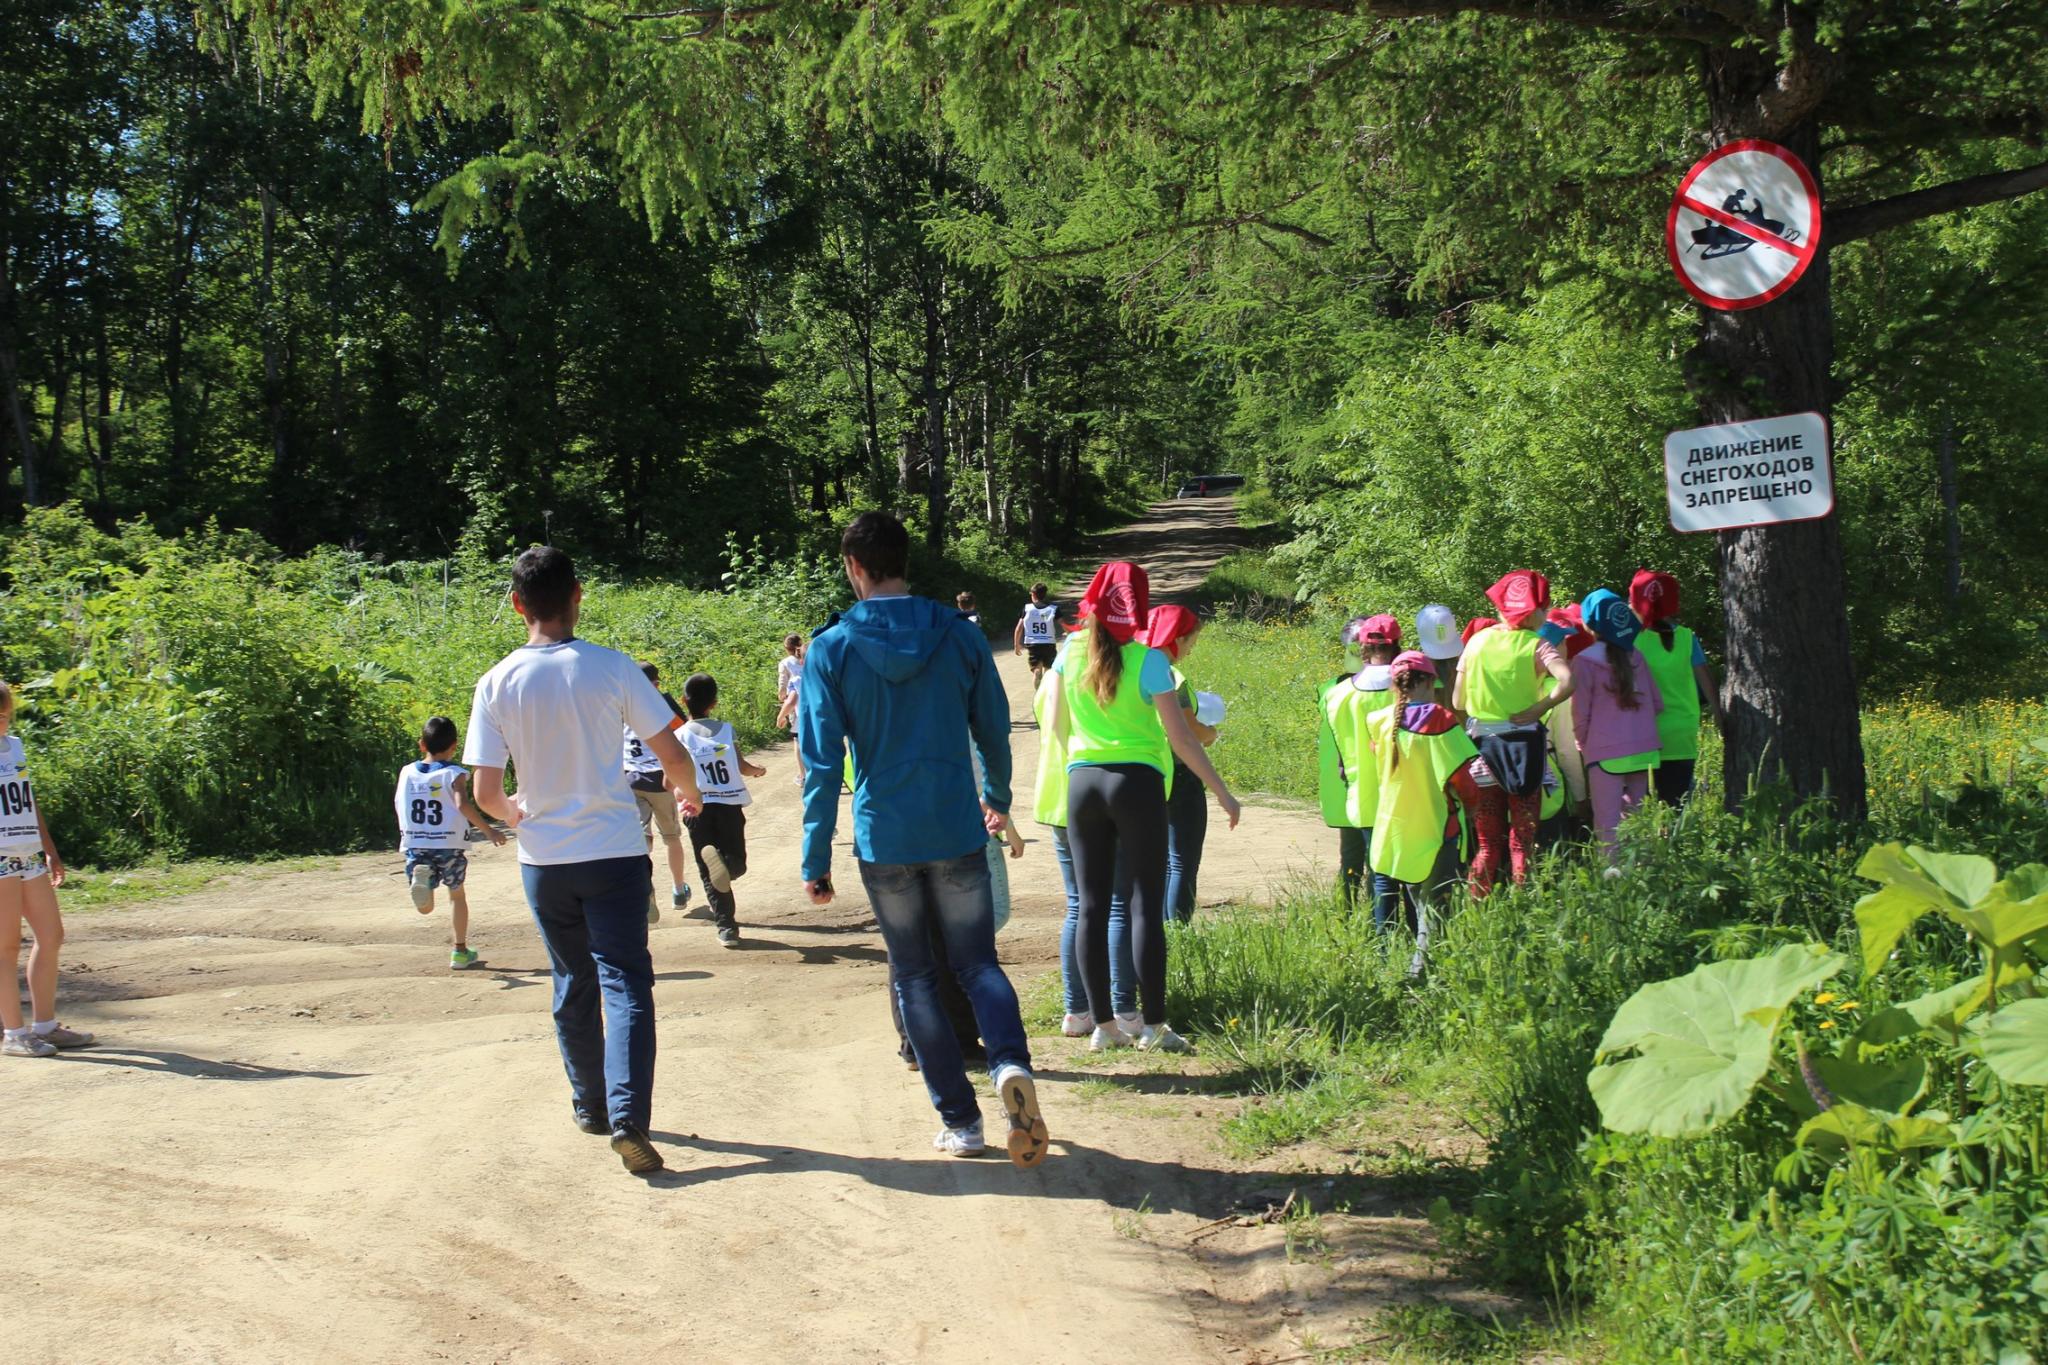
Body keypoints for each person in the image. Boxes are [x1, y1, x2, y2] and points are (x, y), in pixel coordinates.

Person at [798, 511, 1048, 1167]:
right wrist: (998, 798)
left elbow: (821, 764)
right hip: (956, 826)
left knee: (915, 975)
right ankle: (1010, 1064)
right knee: (978, 963)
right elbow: (993, 726)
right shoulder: (959, 633)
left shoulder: (830, 648)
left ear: (854, 567)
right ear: (906, 561)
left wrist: (815, 857)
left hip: (886, 838)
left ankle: (962, 1123)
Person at [465, 546, 704, 1175]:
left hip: (544, 861)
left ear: (516, 604)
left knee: (572, 979)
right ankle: (628, 1118)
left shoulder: (496, 682)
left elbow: (485, 793)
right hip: (615, 853)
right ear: (578, 595)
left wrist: (516, 813)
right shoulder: (613, 667)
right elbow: (670, 752)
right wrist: (690, 792)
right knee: (625, 982)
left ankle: (591, 1108)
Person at [1044, 560, 1241, 1055]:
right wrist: (1221, 791)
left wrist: (1084, 763)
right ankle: (1152, 1025)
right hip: (1137, 784)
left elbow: (1056, 727)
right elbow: (1183, 740)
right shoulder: (1151, 660)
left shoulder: (1069, 653)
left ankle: (1103, 1027)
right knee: (1143, 907)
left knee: (1090, 906)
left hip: (1082, 782)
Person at [1452, 572, 1575, 897]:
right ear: (1537, 610)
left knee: (1487, 844)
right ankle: (1524, 903)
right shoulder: (1537, 645)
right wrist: (1539, 707)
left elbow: (1458, 701)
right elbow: (1567, 681)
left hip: (1482, 752)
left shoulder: (1477, 642)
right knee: (1522, 841)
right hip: (1525, 753)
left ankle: (1478, 906)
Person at [1035, 667, 1138, 1039]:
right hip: (1099, 798)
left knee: (1078, 905)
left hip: (1060, 799)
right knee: (1118, 904)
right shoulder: (1104, 672)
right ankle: (1123, 1009)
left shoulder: (1052, 676)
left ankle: (1077, 1011)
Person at [1365, 653, 1481, 976]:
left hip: (1397, 831)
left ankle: (1416, 974)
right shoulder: (1439, 719)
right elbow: (1462, 778)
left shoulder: (1380, 721)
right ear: (1429, 682)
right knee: (1435, 914)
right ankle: (1421, 980)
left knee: (1421, 906)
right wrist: (1473, 806)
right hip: (1436, 827)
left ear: (1395, 685)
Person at [0, 682, 92, 1058]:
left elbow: (27, 800)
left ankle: (45, 1026)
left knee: (51, 935)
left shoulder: (14, 747)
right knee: (6, 947)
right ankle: (14, 1035)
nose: (2, 722)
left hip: (29, 855)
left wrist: (49, 849)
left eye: (5, 715)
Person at [396, 714, 507, 970]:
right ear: (454, 746)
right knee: (457, 895)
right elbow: (461, 805)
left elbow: (400, 803)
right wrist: (489, 831)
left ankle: (423, 880)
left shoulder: (407, 772)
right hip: (449, 845)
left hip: (416, 842)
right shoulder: (454, 774)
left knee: (425, 909)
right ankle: (459, 951)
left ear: (421, 744)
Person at [1571, 589, 1665, 861]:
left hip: (1604, 753)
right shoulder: (1637, 656)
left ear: (1588, 624)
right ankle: (1643, 870)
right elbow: (1657, 704)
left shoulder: (1583, 661)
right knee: (1638, 820)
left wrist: (1583, 744)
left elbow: (1580, 713)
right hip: (1645, 750)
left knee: (1607, 824)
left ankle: (1613, 877)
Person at [1141, 604, 1221, 923]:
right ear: (1176, 639)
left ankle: (1156, 928)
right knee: (1182, 862)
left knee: (1157, 861)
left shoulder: (1129, 668)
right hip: (1180, 773)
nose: (1190, 651)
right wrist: (1211, 733)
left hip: (1145, 773)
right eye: (1191, 643)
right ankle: (1178, 932)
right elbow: (1189, 731)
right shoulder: (1172, 676)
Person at [1318, 615, 1401, 908]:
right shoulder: (1404, 685)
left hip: (1355, 786)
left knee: (1357, 857)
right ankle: (1363, 916)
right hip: (1387, 787)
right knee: (1379, 862)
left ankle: (1352, 914)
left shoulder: (1335, 692)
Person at [679, 673, 765, 948]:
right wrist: (758, 771)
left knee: (709, 873)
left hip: (697, 807)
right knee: (736, 862)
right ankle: (729, 867)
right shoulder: (727, 730)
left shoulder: (679, 736)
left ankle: (727, 928)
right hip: (729, 805)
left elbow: (672, 776)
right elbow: (742, 766)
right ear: (714, 703)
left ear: (683, 701)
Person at [1630, 570, 1722, 805]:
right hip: (1682, 732)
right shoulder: (1687, 638)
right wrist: (1721, 718)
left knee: (1646, 808)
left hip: (1643, 734)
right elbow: (1707, 683)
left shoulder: (1631, 640)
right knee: (1676, 806)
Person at [624, 662, 694, 925]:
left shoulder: (621, 704)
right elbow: (682, 733)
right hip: (662, 779)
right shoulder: (663, 704)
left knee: (641, 839)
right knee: (671, 837)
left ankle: (645, 887)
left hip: (630, 778)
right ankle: (678, 890)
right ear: (655, 684)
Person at [1013, 582, 1062, 687]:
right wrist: (1070, 633)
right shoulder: (1053, 609)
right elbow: (1063, 623)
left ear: (1034, 595)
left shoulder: (1027, 608)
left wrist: (1017, 644)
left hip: (1033, 643)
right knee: (1048, 670)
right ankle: (1047, 691)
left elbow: (1018, 628)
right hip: (1049, 642)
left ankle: (1038, 687)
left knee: (1037, 669)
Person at [776, 633, 806, 786]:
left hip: (798, 708)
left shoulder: (785, 663)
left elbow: (783, 687)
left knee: (798, 740)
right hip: (819, 705)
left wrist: (782, 697)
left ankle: (803, 775)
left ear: (786, 648)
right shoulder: (810, 660)